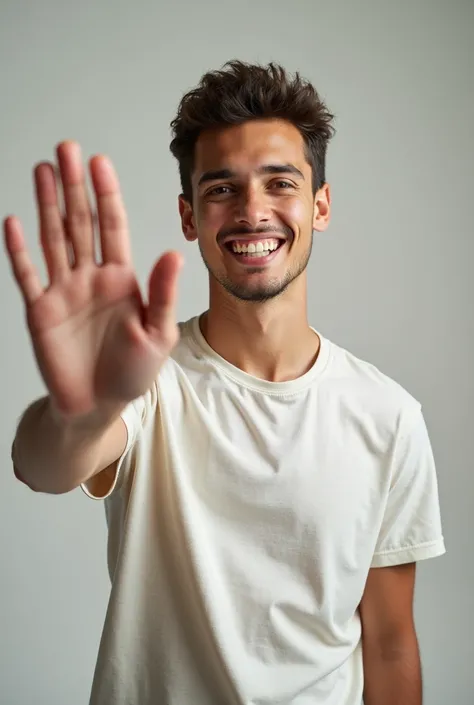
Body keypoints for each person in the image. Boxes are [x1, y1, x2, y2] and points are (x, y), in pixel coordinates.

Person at [4, 60, 445, 705]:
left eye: (280, 183)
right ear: (189, 216)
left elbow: (389, 643)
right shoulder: (148, 381)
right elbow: (42, 465)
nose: (252, 211)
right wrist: (83, 409)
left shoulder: (390, 416)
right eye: (221, 189)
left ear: (320, 205)